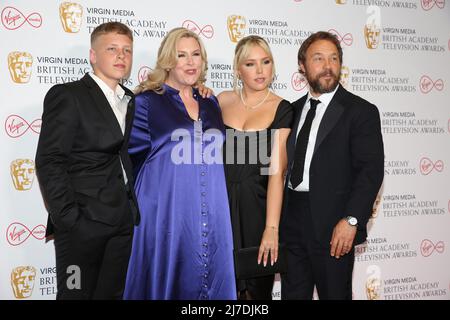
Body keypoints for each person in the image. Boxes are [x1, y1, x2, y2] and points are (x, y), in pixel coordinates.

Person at [123, 27, 236, 300]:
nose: (190, 62)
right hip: (165, 214)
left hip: (213, 213)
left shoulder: (211, 103)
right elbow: (128, 162)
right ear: (167, 61)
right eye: (181, 55)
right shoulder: (145, 103)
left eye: (196, 54)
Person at [35, 22, 140, 299]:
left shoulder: (130, 99)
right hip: (82, 225)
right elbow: (49, 160)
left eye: (127, 50)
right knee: (74, 295)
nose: (121, 56)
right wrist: (70, 220)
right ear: (93, 56)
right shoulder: (68, 95)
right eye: (112, 49)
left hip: (121, 222)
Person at [280, 31, 384, 300]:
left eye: (334, 58)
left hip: (334, 225)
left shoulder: (360, 111)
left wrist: (351, 219)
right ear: (302, 66)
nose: (328, 66)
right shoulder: (290, 110)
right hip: (291, 222)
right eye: (318, 58)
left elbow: (370, 172)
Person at [218, 35, 293, 300]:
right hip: (220, 207)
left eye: (266, 62)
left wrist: (271, 228)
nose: (260, 70)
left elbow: (276, 174)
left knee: (254, 292)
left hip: (257, 208)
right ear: (238, 69)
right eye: (251, 64)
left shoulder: (282, 108)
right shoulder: (221, 101)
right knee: (220, 287)